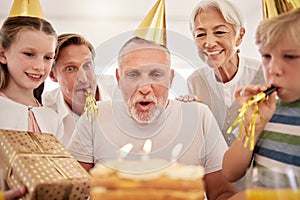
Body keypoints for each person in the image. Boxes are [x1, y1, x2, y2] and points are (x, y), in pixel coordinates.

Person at [68, 37, 237, 200]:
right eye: (133, 75)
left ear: (170, 79)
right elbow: (72, 191)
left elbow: (222, 193)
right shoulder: (95, 115)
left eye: (156, 74)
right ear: (119, 79)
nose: (144, 88)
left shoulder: (199, 116)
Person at [222, 8, 300, 199]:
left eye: (289, 56)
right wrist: (251, 127)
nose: (273, 69)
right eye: (266, 56)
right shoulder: (267, 109)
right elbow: (230, 172)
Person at [187, 0, 265, 147]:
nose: (209, 43)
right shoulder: (195, 80)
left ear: (240, 36)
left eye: (220, 32)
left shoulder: (263, 74)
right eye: (201, 34)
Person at [0, 16, 60, 198]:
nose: (39, 66)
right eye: (29, 54)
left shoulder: (52, 118)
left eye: (48, 57)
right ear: (2, 54)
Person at [42, 33, 115, 147]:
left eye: (87, 65)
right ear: (52, 75)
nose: (83, 78)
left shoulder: (120, 92)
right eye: (70, 69)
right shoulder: (44, 111)